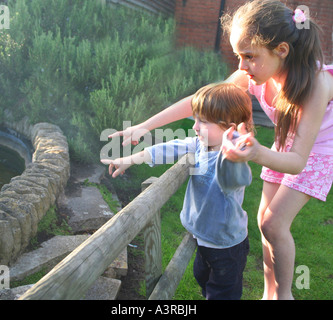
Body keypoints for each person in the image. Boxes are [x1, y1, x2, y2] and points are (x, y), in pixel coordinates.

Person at [108, 0, 333, 300]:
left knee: (274, 224)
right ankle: (269, 292)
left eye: (249, 56)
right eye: (239, 56)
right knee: (263, 222)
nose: (241, 66)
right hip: (283, 142)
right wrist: (145, 127)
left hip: (314, 153)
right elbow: (202, 101)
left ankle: (285, 295)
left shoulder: (317, 84)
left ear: (281, 50)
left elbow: (296, 161)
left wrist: (255, 153)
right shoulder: (253, 74)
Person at [102, 83, 253, 299]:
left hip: (226, 246)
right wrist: (130, 159)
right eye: (195, 119)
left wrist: (235, 154)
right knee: (201, 277)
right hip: (202, 238)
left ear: (229, 128)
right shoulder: (201, 145)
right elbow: (169, 148)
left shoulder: (233, 158)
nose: (195, 127)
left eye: (203, 121)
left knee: (222, 293)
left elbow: (241, 178)